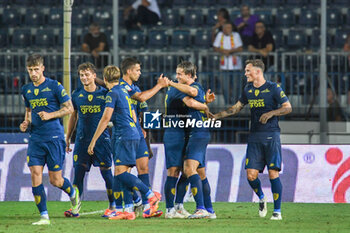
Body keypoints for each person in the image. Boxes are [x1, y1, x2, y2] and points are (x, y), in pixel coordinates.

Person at [212, 59, 292, 220]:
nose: (245, 73)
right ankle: (262, 198)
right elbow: (235, 108)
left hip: (271, 135)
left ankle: (277, 212)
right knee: (251, 175)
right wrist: (216, 116)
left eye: (248, 70)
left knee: (273, 173)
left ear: (258, 72)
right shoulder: (248, 89)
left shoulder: (273, 88)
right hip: (254, 136)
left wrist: (271, 113)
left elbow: (288, 107)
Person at [87, 65, 161, 220]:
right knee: (122, 172)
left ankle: (149, 194)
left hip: (124, 135)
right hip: (132, 133)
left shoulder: (112, 93)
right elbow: (133, 115)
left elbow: (105, 118)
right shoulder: (124, 91)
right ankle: (128, 210)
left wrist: (93, 140)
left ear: (105, 79)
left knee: (120, 175)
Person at [20, 54, 80, 225]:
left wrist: (50, 115)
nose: (33, 73)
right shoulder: (26, 90)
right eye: (30, 70)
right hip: (35, 138)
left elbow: (69, 108)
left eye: (36, 69)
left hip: (54, 138)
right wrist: (26, 122)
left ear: (43, 68)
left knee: (56, 180)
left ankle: (73, 194)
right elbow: (29, 111)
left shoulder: (54, 86)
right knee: (35, 174)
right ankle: (44, 216)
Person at [118, 57, 169, 217]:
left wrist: (147, 140)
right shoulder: (121, 87)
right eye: (137, 70)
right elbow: (141, 97)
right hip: (125, 134)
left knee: (143, 168)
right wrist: (159, 86)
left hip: (138, 134)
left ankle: (148, 207)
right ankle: (129, 206)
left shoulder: (135, 87)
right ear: (129, 71)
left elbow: (144, 111)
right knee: (124, 170)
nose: (140, 73)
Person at [63, 62, 115, 218]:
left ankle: (113, 205)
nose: (84, 77)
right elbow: (73, 115)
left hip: (101, 141)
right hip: (81, 140)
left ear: (94, 75)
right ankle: (75, 208)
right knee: (78, 174)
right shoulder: (77, 94)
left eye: (87, 74)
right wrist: (68, 136)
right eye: (81, 75)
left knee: (106, 174)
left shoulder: (106, 94)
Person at [163, 61, 213, 219]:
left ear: (189, 75)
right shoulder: (177, 88)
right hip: (176, 133)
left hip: (190, 133)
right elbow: (191, 100)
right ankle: (172, 209)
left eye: (180, 74)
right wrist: (205, 105)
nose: (176, 77)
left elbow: (192, 96)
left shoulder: (182, 87)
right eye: (176, 73)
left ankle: (185, 207)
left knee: (187, 171)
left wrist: (204, 104)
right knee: (178, 171)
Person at [213, 21, 243, 104]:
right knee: (225, 87)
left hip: (236, 66)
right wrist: (222, 51)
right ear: (223, 29)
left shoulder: (236, 35)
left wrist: (230, 51)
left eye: (229, 27)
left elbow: (240, 48)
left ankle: (235, 105)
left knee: (236, 87)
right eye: (226, 28)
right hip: (224, 67)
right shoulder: (220, 35)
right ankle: (227, 104)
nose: (228, 29)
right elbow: (215, 47)